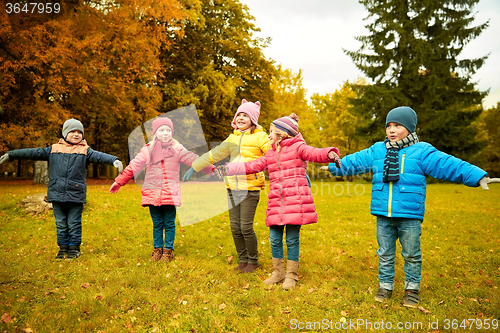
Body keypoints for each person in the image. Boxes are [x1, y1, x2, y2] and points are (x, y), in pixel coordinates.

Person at [322, 106, 500, 307]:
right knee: (385, 253)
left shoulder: (422, 151)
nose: (391, 130)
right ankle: (386, 286)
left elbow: (449, 164)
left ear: (409, 128)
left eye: (397, 125)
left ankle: (412, 289)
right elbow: (355, 161)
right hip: (383, 214)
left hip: (409, 215)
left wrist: (477, 176)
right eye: (389, 125)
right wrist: (332, 167)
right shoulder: (378, 150)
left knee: (412, 255)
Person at [215, 113, 341, 289]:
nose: (268, 135)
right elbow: (253, 165)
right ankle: (278, 272)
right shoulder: (271, 153)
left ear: (282, 135)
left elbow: (314, 153)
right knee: (274, 239)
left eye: (272, 132)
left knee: (292, 239)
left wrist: (330, 154)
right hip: (276, 201)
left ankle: (291, 275)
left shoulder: (299, 148)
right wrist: (229, 168)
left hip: (295, 202)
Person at [0, 119, 123, 259]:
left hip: (76, 194)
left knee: (73, 223)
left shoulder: (85, 151)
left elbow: (100, 156)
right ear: (65, 133)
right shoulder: (53, 149)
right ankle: (63, 248)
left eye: (79, 132)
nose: (76, 134)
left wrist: (114, 160)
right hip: (56, 193)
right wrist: (11, 155)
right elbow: (32, 153)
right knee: (61, 224)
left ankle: (74, 249)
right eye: (73, 131)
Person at [183, 99, 271, 273]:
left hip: (250, 187)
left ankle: (253, 261)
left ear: (253, 119)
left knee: (245, 226)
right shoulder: (232, 138)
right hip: (232, 187)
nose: (241, 118)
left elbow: (273, 155)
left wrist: (291, 167)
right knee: (235, 227)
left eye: (246, 115)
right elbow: (214, 154)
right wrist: (196, 166)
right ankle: (243, 259)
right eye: (239, 114)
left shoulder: (261, 137)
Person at [109, 117, 211, 263]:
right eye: (161, 130)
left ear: (172, 132)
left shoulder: (177, 148)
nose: (165, 133)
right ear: (155, 133)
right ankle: (157, 250)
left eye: (168, 130)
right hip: (152, 193)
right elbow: (133, 166)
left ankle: (168, 251)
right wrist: (119, 182)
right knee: (157, 223)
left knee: (169, 223)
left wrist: (208, 167)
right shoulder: (147, 149)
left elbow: (192, 158)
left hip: (170, 193)